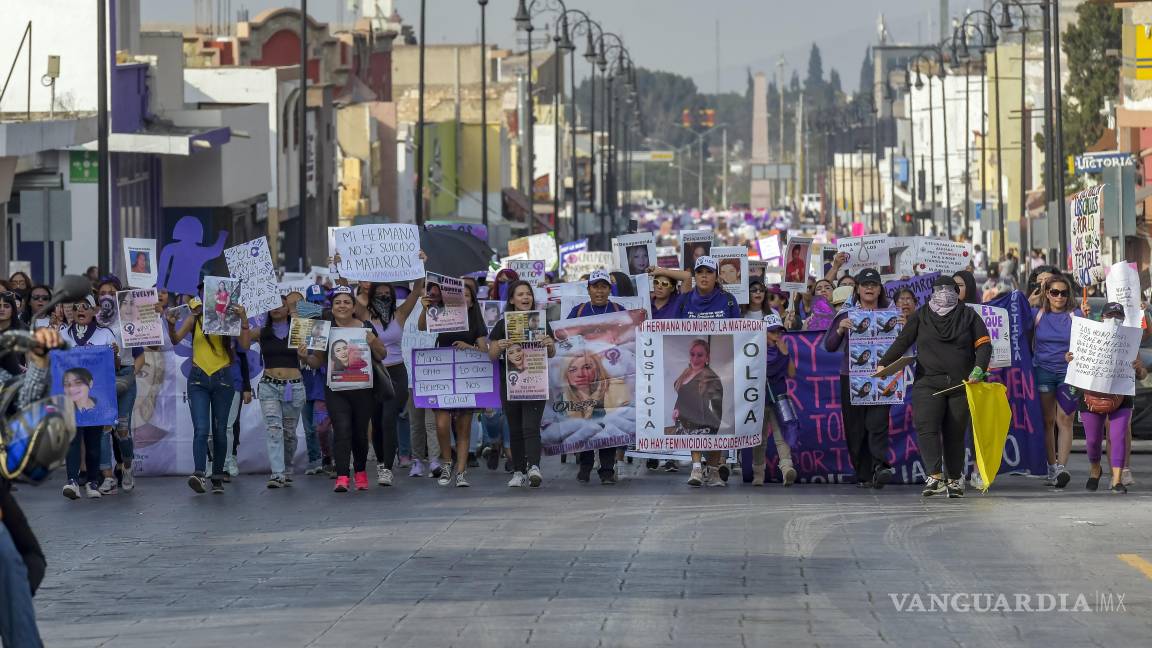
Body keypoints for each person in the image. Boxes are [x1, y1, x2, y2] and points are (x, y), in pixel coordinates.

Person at [878, 275, 992, 499]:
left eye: (949, 289)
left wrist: (979, 368)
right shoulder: (921, 316)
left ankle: (955, 479)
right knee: (926, 427)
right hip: (927, 382)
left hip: (961, 384)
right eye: (939, 289)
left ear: (956, 292)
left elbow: (984, 345)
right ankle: (935, 476)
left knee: (955, 434)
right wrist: (884, 362)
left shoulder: (969, 316)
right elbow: (903, 341)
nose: (944, 293)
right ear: (931, 292)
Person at [300, 286, 386, 492]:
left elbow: (382, 355)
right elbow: (315, 362)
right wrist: (304, 356)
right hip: (336, 389)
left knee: (359, 433)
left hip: (363, 389)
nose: (342, 306)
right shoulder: (322, 329)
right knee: (342, 430)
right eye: (338, 302)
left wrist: (373, 342)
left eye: (347, 302)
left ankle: (361, 472)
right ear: (332, 305)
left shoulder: (366, 326)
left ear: (354, 306)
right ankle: (342, 476)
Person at [166, 290, 251, 494]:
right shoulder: (196, 318)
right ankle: (199, 473)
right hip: (198, 378)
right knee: (202, 429)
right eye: (208, 293)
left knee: (221, 430)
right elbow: (176, 339)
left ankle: (218, 476)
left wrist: (243, 318)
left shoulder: (229, 318)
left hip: (223, 378)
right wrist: (170, 323)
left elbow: (245, 345)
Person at [822, 269, 896, 489]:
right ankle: (864, 474)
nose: (870, 288)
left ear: (880, 289)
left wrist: (903, 324)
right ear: (857, 289)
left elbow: (905, 342)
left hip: (882, 376)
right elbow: (829, 345)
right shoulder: (846, 313)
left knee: (878, 423)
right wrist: (840, 330)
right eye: (865, 284)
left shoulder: (891, 312)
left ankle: (880, 466)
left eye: (874, 284)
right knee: (855, 429)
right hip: (851, 377)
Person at [674, 256, 740, 487]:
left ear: (716, 276)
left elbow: (739, 333)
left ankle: (712, 470)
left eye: (708, 272)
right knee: (692, 419)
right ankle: (695, 469)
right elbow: (670, 330)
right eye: (700, 272)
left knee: (716, 423)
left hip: (724, 372)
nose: (703, 276)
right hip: (694, 372)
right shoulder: (683, 301)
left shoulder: (729, 301)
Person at [1067, 303, 1144, 493]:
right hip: (1091, 396)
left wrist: (1138, 368)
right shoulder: (1089, 336)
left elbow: (1141, 374)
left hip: (1121, 395)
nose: (1114, 319)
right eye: (1110, 315)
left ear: (1123, 319)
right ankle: (1095, 469)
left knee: (1117, 437)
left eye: (1118, 316)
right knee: (1092, 441)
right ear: (1102, 317)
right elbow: (1075, 361)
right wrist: (1069, 358)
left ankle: (1117, 480)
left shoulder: (1129, 341)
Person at [488, 280, 557, 488]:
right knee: (515, 428)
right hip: (510, 383)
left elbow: (552, 353)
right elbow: (491, 355)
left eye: (528, 294)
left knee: (530, 426)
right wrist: (499, 346)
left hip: (535, 381)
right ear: (511, 300)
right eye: (520, 294)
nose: (525, 297)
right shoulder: (502, 325)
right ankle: (518, 471)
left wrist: (549, 344)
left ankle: (534, 467)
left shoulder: (542, 322)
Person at [420, 280, 489, 488]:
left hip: (466, 379)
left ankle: (460, 472)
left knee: (463, 427)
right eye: (460, 295)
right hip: (442, 376)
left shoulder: (476, 320)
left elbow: (485, 352)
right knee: (441, 424)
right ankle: (447, 463)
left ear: (471, 302)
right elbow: (422, 327)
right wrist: (425, 309)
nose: (463, 299)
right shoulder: (441, 315)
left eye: (467, 296)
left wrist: (469, 347)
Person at [564, 270, 627, 484]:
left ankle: (607, 469)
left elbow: (629, 338)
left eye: (604, 286)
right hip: (585, 373)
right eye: (595, 286)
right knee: (586, 418)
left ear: (610, 289)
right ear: (588, 289)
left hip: (610, 374)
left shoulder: (619, 310)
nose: (599, 291)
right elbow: (566, 338)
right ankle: (586, 463)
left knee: (608, 418)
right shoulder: (578, 310)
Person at [357, 281, 420, 487]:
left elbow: (417, 291)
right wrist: (344, 276)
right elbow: (351, 301)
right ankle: (382, 461)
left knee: (388, 418)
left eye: (388, 293)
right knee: (376, 421)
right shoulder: (365, 315)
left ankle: (386, 467)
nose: (384, 296)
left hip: (396, 372)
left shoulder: (400, 314)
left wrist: (420, 267)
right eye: (380, 293)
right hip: (374, 372)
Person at [60, 295, 122, 499]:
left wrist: (113, 354)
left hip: (96, 394)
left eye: (85, 306)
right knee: (73, 438)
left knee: (94, 439)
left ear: (95, 310)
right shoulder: (63, 334)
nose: (80, 310)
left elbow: (115, 367)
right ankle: (72, 480)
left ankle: (93, 482)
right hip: (70, 394)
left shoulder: (105, 334)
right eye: (76, 306)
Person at [1032, 274, 1080, 488]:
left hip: (1069, 373)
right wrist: (1031, 300)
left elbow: (1090, 341)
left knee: (1066, 419)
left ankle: (1061, 467)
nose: (1059, 296)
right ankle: (1051, 467)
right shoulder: (1038, 314)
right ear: (1047, 294)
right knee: (1047, 421)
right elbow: (1014, 322)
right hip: (1043, 371)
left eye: (1064, 292)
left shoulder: (1076, 315)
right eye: (1054, 292)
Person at [256, 295, 306, 488]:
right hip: (269, 384)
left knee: (289, 432)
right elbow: (243, 343)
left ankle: (286, 467)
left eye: (281, 305)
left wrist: (294, 310)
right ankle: (277, 473)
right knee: (274, 429)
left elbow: (306, 336)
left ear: (288, 309)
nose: (276, 308)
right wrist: (244, 319)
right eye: (272, 305)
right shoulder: (262, 332)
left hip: (294, 386)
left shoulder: (298, 329)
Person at [753, 313, 797, 486]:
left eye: (779, 332)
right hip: (760, 400)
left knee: (783, 434)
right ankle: (758, 473)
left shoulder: (783, 349)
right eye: (772, 332)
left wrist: (786, 354)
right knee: (760, 438)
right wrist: (784, 356)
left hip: (780, 398)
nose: (777, 336)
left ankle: (787, 469)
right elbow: (767, 371)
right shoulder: (754, 350)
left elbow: (792, 373)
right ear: (762, 333)